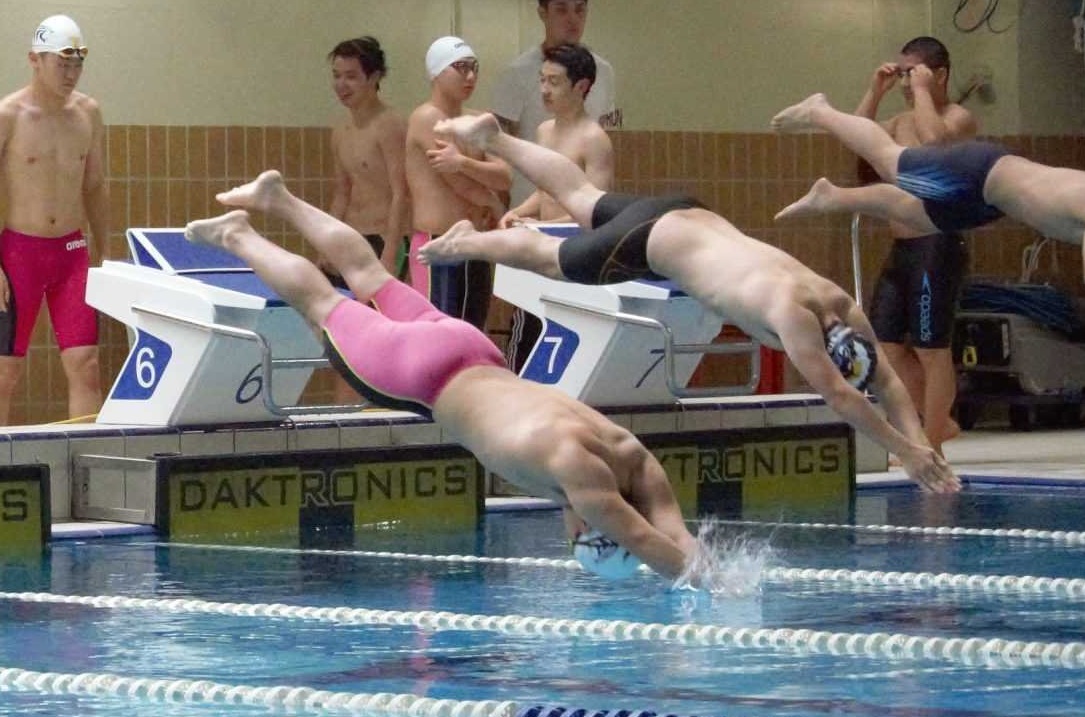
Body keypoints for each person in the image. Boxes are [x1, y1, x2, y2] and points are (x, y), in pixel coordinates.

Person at [190, 173, 701, 581]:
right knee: (320, 303)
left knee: (372, 274)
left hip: (471, 349)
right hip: (422, 376)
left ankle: (279, 198)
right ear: (587, 529)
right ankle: (239, 234)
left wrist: (714, 572)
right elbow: (642, 540)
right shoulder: (579, 476)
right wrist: (706, 590)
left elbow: (674, 534)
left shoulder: (629, 451)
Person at [420, 112, 960, 494]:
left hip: (688, 212)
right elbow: (845, 399)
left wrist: (919, 445)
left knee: (582, 198)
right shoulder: (794, 319)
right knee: (551, 260)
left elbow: (884, 379)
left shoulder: (835, 301)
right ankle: (467, 241)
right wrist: (906, 451)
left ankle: (497, 138)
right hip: (656, 242)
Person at [774, 91, 1085, 321]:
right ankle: (819, 111)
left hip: (991, 202)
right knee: (889, 161)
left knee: (919, 216)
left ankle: (832, 197)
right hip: (978, 173)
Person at [0, 14, 112, 426]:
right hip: (20, 255)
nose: (71, 74)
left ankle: (86, 469)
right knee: (5, 371)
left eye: (78, 64)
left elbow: (96, 187)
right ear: (35, 60)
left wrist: (109, 256)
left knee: (86, 365)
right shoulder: (4, 116)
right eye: (62, 64)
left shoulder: (89, 113)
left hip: (72, 253)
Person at [851, 40, 979, 450]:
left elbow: (936, 146)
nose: (906, 82)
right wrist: (875, 91)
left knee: (931, 349)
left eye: (914, 73)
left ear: (939, 74)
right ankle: (939, 420)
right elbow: (858, 139)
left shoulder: (959, 119)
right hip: (902, 248)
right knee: (885, 346)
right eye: (903, 73)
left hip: (936, 246)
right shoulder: (898, 121)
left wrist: (923, 93)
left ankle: (933, 441)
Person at [404, 36, 508, 322]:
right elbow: (460, 184)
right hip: (438, 247)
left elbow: (505, 176)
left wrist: (462, 162)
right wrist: (492, 202)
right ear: (436, 73)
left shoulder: (480, 119)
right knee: (441, 338)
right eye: (460, 68)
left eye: (474, 67)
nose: (471, 76)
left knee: (473, 335)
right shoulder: (427, 118)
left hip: (473, 244)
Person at [495, 0, 622, 135]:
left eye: (579, 10)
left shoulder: (604, 70)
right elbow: (498, 137)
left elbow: (611, 127)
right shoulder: (516, 73)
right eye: (562, 10)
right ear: (543, 13)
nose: (573, 19)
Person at [502, 43, 614, 225]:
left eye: (553, 82)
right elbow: (544, 194)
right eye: (542, 80)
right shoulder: (544, 131)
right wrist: (517, 212)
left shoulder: (594, 140)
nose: (544, 90)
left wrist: (542, 226)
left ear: (581, 86)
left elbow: (594, 210)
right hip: (547, 237)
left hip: (576, 244)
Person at [325, 36, 408, 259]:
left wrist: (390, 254)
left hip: (383, 237)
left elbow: (402, 193)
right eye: (336, 76)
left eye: (351, 76)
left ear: (374, 77)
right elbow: (342, 193)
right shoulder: (340, 131)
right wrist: (327, 246)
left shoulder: (390, 125)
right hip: (350, 235)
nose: (341, 84)